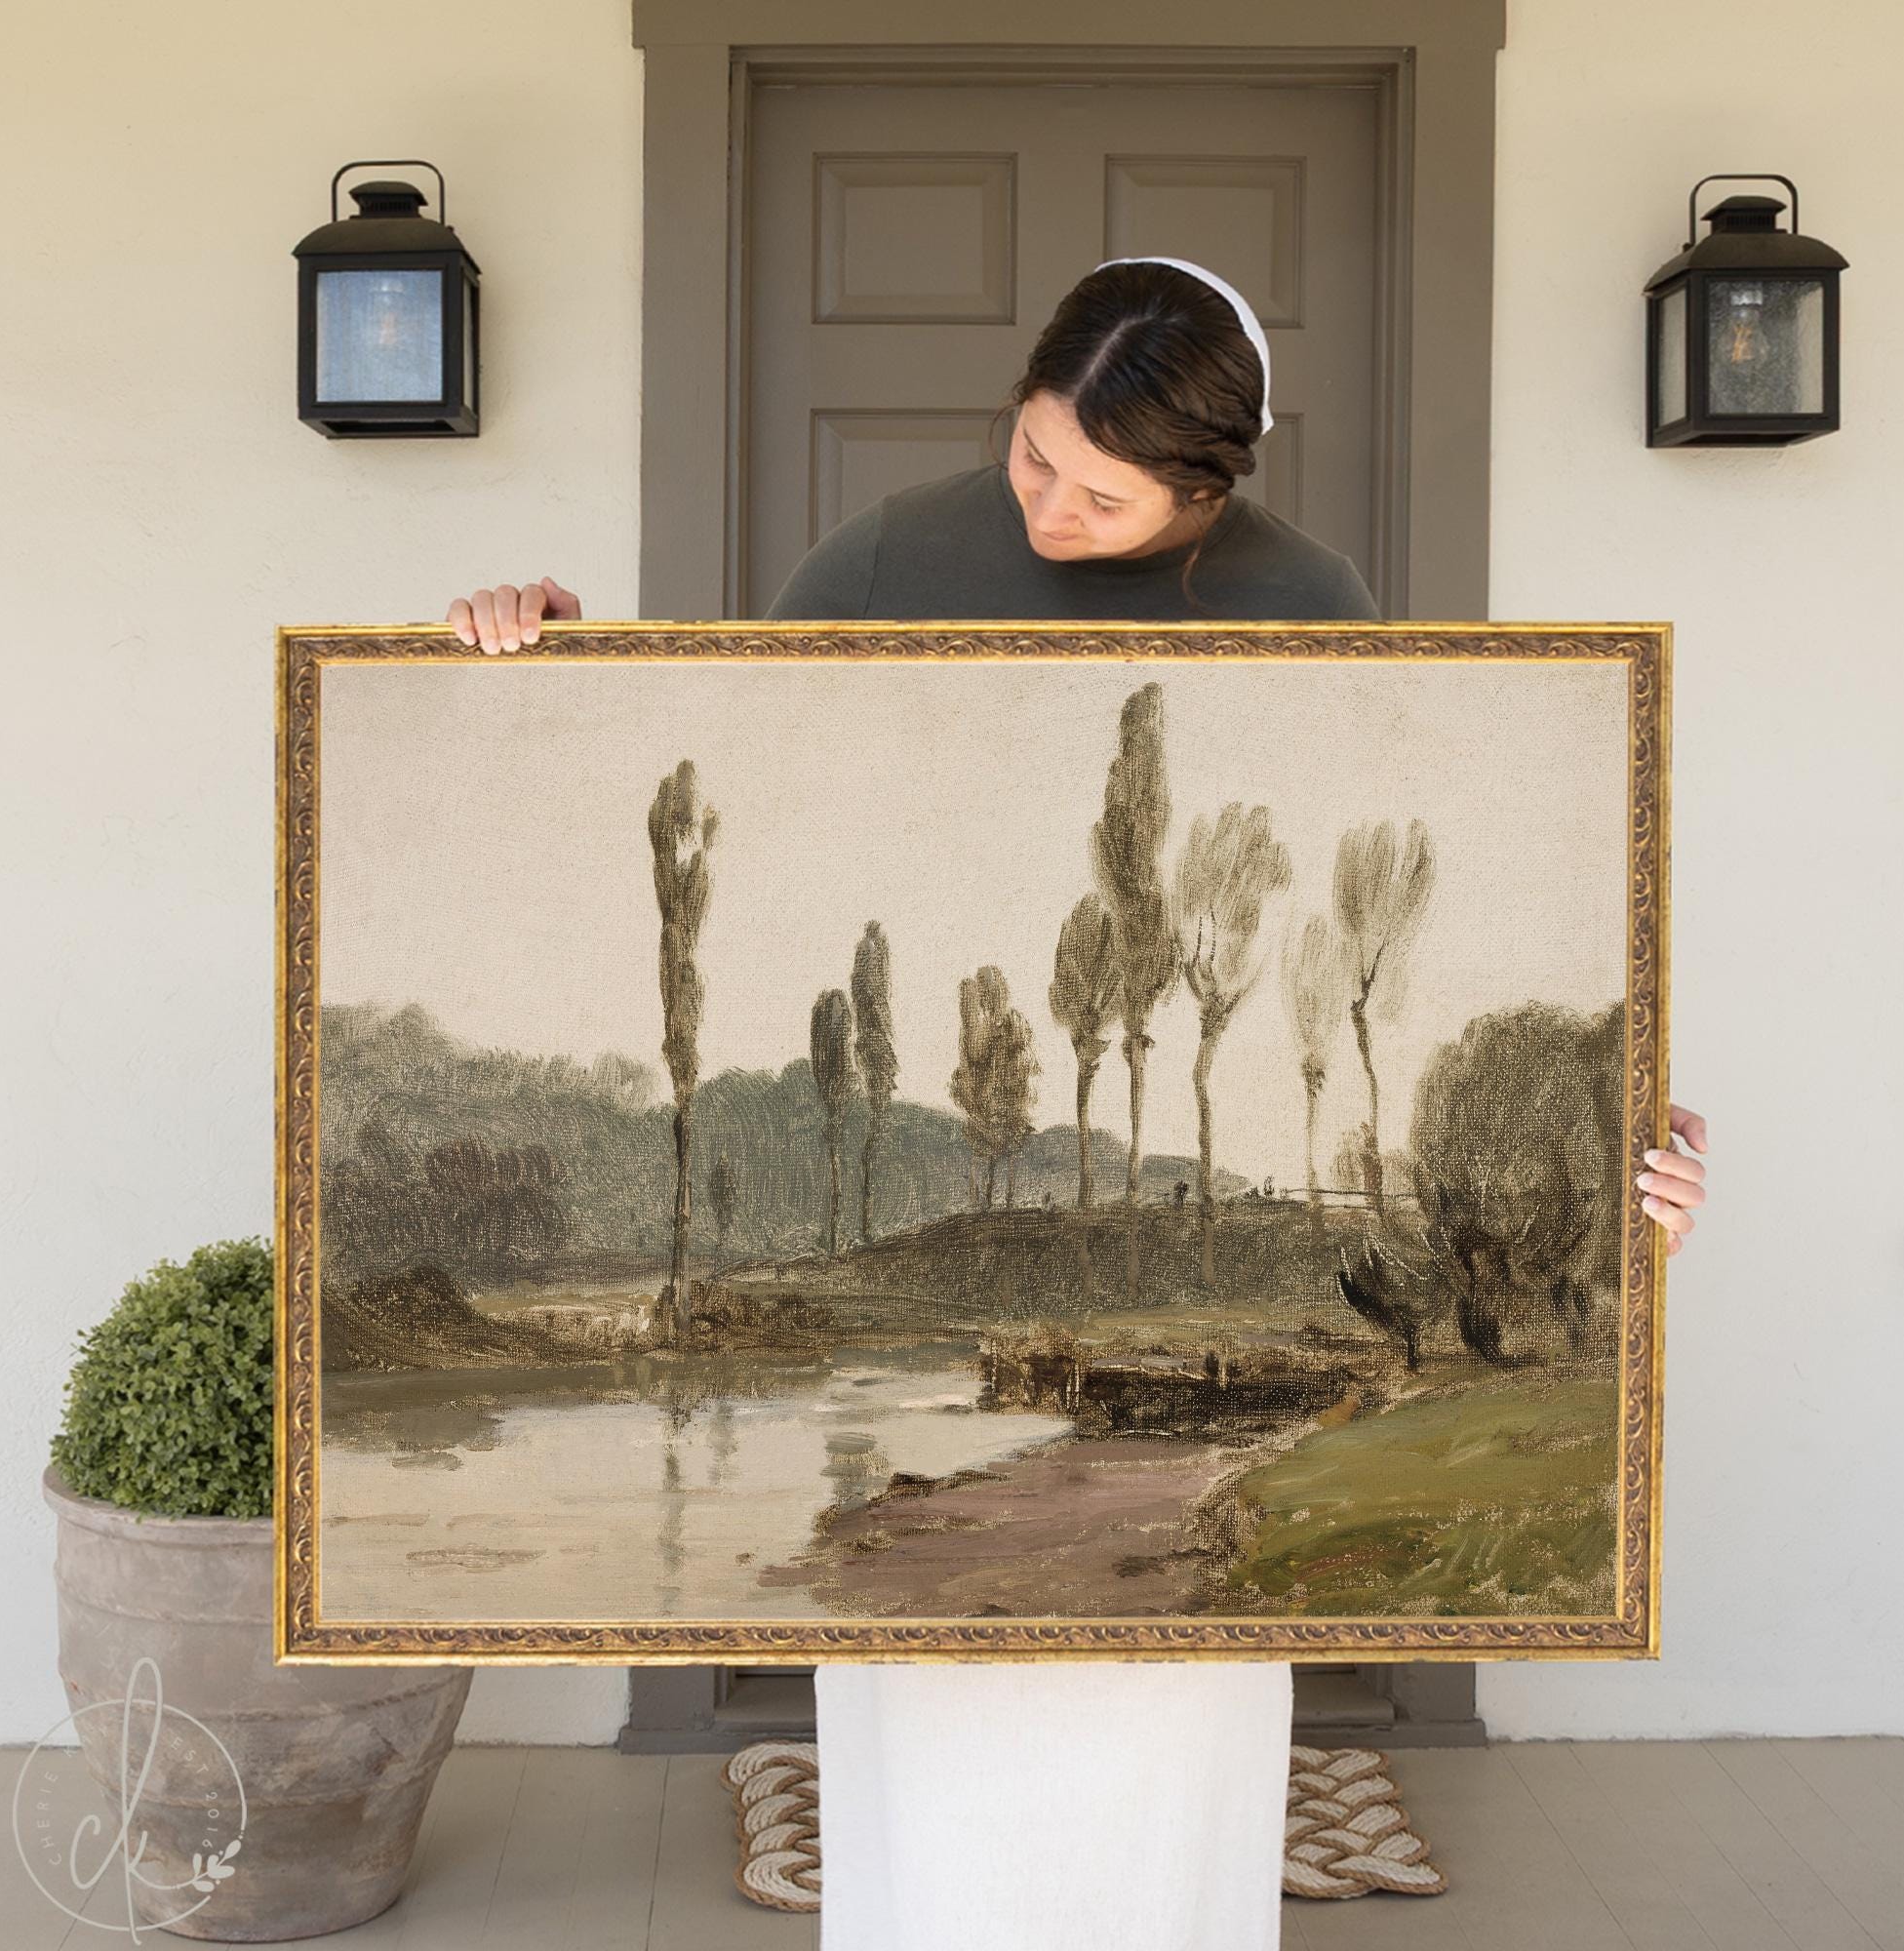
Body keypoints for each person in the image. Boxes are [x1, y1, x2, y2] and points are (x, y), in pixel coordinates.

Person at [449, 255, 1710, 1950]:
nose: (1047, 510)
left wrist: (1609, 1127)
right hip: (960, 1081)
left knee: (1166, 1801)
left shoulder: (1312, 602)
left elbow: (1443, 909)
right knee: (931, 1807)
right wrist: (554, 665)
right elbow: (733, 743)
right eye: (1033, 456)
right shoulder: (889, 558)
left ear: (1209, 487)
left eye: (1103, 496)